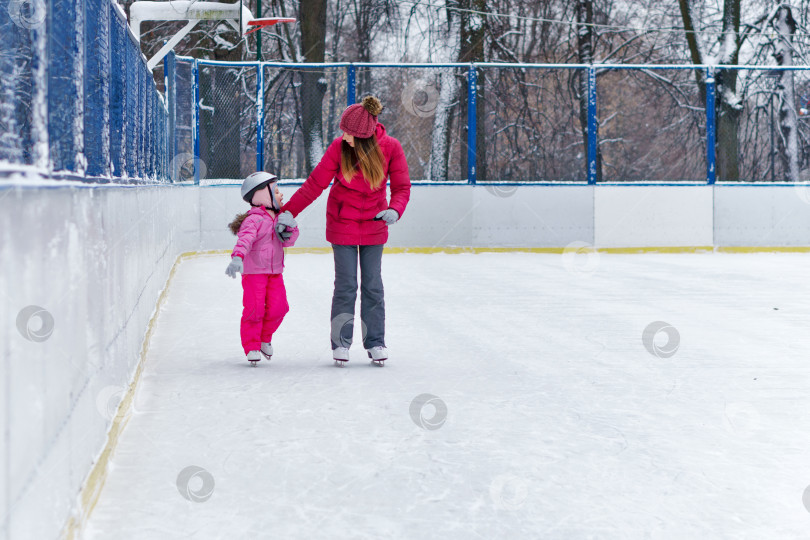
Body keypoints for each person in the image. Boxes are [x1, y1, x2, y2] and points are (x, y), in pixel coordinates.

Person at [277, 95, 411, 365]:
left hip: (375, 224)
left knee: (373, 285)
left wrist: (395, 209)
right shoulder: (339, 148)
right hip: (342, 224)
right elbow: (314, 184)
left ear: (364, 136)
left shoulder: (391, 148)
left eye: (350, 134)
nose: (345, 137)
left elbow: (401, 187)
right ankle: (341, 344)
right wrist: (288, 212)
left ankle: (375, 342)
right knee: (346, 285)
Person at [226, 172, 299, 365]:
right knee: (255, 310)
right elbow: (245, 239)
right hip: (254, 273)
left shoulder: (279, 218)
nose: (281, 195)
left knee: (279, 308)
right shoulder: (254, 220)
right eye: (276, 191)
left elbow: (288, 242)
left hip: (275, 273)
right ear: (262, 195)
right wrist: (237, 257)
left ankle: (264, 338)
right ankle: (252, 346)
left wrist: (291, 227)